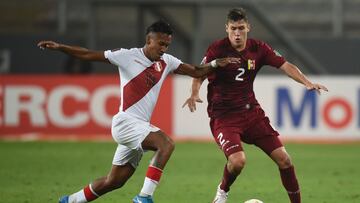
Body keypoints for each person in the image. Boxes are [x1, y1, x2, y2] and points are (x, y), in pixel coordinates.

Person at [37, 20, 240, 203]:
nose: (163, 48)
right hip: (125, 122)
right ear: (149, 40)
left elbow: (196, 71)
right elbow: (89, 54)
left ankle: (70, 201)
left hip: (139, 126)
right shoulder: (126, 56)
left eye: (167, 45)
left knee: (114, 181)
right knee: (166, 144)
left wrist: (214, 64)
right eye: (160, 43)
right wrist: (60, 47)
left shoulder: (167, 61)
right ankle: (144, 198)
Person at [182, 8, 328, 203]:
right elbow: (200, 71)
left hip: (252, 115)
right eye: (233, 28)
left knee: (285, 160)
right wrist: (194, 93)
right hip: (224, 118)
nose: (237, 33)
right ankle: (222, 193)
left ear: (248, 27)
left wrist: (307, 82)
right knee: (238, 161)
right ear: (227, 28)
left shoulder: (258, 48)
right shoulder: (217, 49)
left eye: (241, 28)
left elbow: (286, 65)